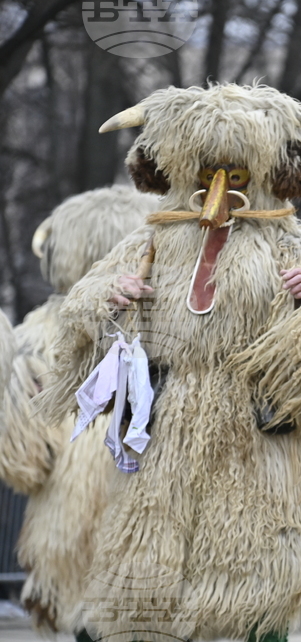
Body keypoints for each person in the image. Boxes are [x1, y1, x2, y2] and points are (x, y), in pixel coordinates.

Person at [41, 84, 301, 642]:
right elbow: (82, 305)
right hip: (165, 422)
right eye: (204, 167)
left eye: (236, 169)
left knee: (255, 565)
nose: (219, 184)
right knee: (151, 559)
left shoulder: (292, 241)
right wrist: (110, 295)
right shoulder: (152, 240)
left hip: (255, 425)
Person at [0, 186, 157, 641]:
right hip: (149, 514)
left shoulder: (40, 337)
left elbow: (25, 458)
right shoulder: (171, 326)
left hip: (72, 526)